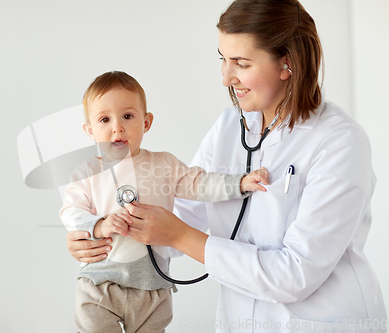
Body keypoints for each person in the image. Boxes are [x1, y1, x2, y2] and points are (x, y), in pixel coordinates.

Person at [66, 1, 388, 332]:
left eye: (241, 63)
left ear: (287, 63)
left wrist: (178, 235)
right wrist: (97, 232)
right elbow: (181, 212)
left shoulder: (339, 142)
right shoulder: (229, 126)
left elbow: (294, 275)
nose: (226, 78)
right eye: (223, 58)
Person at [60, 71, 269, 333]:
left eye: (127, 116)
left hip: (152, 285)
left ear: (146, 122)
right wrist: (98, 225)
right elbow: (71, 212)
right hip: (100, 283)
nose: (117, 127)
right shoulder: (86, 172)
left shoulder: (164, 165)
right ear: (90, 130)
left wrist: (238, 184)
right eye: (104, 119)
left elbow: (199, 183)